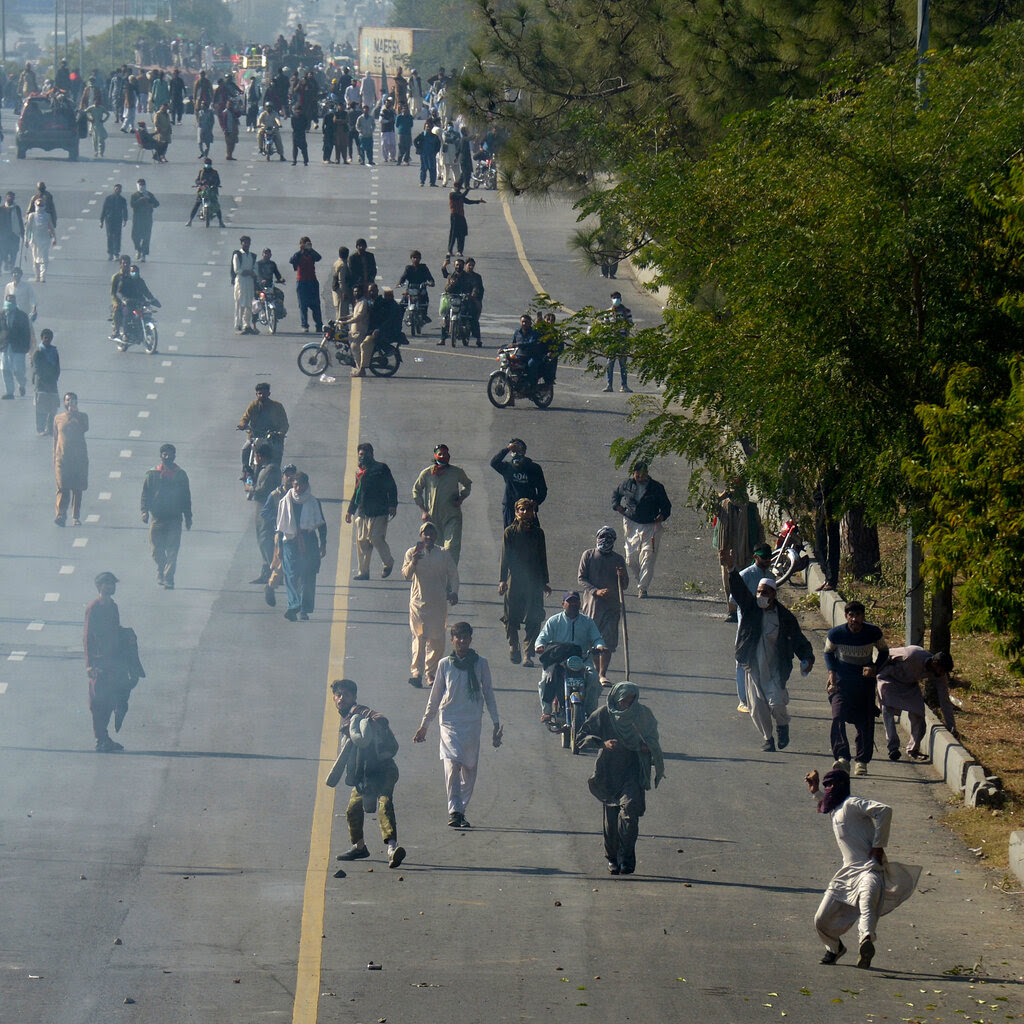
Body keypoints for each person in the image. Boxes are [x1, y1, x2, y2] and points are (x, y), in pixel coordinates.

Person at [805, 767, 920, 969]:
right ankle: (835, 949)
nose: (828, 789)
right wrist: (815, 792)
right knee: (820, 920)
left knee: (867, 903)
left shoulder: (852, 803)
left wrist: (878, 845)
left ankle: (866, 941)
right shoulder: (836, 808)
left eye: (831, 785)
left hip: (870, 869)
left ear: (841, 786)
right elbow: (827, 805)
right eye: (826, 786)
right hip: (847, 873)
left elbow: (885, 810)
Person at [413, 621, 502, 828]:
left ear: (471, 639)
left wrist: (496, 723)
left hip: (472, 723)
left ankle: (461, 809)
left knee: (469, 768)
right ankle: (454, 810)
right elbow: (435, 698)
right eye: (457, 637)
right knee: (452, 763)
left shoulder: (481, 663)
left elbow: (488, 693)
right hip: (450, 722)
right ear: (452, 640)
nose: (461, 641)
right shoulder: (445, 664)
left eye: (465, 637)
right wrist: (425, 725)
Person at [727, 553, 815, 751]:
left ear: (774, 594)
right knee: (757, 708)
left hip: (775, 668)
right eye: (758, 592)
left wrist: (808, 657)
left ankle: (782, 727)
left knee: (777, 705)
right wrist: (731, 569)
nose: (760, 596)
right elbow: (740, 592)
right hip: (753, 667)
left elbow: (799, 640)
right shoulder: (751, 609)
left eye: (765, 592)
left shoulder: (784, 618)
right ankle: (769, 739)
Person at [578, 682, 664, 874]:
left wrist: (646, 747)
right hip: (608, 773)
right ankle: (612, 858)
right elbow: (581, 737)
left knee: (630, 814)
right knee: (611, 821)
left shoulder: (643, 715)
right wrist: (603, 743)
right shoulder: (603, 714)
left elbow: (653, 739)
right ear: (615, 698)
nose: (627, 703)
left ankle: (627, 859)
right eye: (623, 699)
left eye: (631, 699)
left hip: (632, 771)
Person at [328, 678, 405, 868]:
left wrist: (371, 721)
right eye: (338, 694)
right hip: (365, 774)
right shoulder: (345, 717)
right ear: (333, 698)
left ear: (354, 697)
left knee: (384, 802)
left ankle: (392, 849)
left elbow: (381, 718)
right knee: (353, 809)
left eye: (346, 694)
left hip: (384, 769)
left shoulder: (359, 712)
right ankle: (359, 847)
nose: (341, 698)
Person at [823, 602, 889, 775]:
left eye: (858, 616)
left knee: (865, 722)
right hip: (841, 683)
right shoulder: (836, 634)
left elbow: (884, 651)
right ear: (846, 617)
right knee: (838, 716)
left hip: (864, 684)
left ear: (863, 616)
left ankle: (862, 761)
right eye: (851, 616)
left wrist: (875, 667)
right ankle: (843, 757)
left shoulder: (873, 632)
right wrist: (832, 673)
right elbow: (828, 652)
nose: (854, 619)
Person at [85, 572, 146, 753]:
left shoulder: (113, 606)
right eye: (108, 584)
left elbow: (115, 629)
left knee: (113, 697)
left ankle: (104, 738)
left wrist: (128, 637)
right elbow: (87, 637)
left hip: (114, 660)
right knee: (97, 701)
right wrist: (89, 664)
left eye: (113, 584)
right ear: (100, 586)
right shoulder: (93, 608)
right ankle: (101, 739)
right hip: (99, 662)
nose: (112, 587)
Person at [402, 522, 459, 688]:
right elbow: (405, 575)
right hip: (418, 604)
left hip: (438, 603)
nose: (428, 537)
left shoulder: (443, 554)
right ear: (421, 536)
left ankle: (431, 673)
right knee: (419, 639)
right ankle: (417, 673)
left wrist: (454, 592)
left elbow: (453, 575)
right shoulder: (412, 552)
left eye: (431, 534)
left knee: (437, 641)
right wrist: (413, 562)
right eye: (425, 534)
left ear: (436, 536)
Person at [535, 591, 607, 719]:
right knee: (545, 680)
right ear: (563, 604)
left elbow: (597, 638)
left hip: (582, 660)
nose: (573, 604)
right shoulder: (554, 621)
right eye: (570, 601)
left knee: (593, 678)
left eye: (575, 602)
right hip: (558, 660)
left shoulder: (587, 622)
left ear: (580, 604)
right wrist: (540, 646)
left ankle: (591, 713)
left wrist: (600, 646)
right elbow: (542, 638)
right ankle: (546, 712)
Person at [876, 647, 957, 761]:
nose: (942, 673)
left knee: (918, 714)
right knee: (887, 709)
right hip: (889, 679)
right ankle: (893, 747)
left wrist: (951, 726)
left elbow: (944, 699)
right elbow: (886, 654)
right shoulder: (913, 655)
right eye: (941, 670)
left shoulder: (939, 675)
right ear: (934, 663)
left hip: (909, 685)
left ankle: (913, 749)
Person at [499, 498, 551, 667]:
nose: (524, 513)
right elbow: (504, 557)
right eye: (521, 510)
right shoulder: (510, 532)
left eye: (528, 510)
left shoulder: (539, 533)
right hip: (515, 579)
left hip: (534, 580)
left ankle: (528, 654)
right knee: (510, 616)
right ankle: (514, 645)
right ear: (516, 512)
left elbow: (543, 558)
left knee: (534, 617)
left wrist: (545, 582)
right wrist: (502, 580)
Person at [611, 460, 672, 598]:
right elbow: (616, 494)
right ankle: (641, 578)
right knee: (630, 559)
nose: (639, 478)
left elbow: (666, 507)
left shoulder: (656, 488)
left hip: (650, 525)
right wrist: (617, 506)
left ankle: (643, 588)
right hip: (631, 523)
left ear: (647, 475)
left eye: (642, 476)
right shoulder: (627, 484)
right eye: (637, 475)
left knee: (648, 556)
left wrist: (662, 516)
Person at [578, 526, 629, 686]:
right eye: (602, 537)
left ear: (613, 541)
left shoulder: (618, 559)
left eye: (609, 538)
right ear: (597, 538)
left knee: (607, 643)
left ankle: (602, 674)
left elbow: (625, 585)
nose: (605, 541)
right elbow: (581, 579)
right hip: (592, 606)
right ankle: (593, 670)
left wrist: (621, 576)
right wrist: (596, 591)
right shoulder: (589, 555)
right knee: (593, 642)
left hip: (612, 607)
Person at [275, 470, 327, 621]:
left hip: (309, 541)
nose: (298, 489)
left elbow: (321, 524)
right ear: (292, 484)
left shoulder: (313, 502)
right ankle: (293, 605)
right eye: (296, 485)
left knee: (308, 575)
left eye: (301, 486)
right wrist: (278, 547)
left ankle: (303, 609)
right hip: (290, 542)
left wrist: (323, 544)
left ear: (306, 485)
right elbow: (279, 526)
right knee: (290, 574)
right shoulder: (285, 501)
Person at [140, 443, 193, 589]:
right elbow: (145, 494)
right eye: (165, 454)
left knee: (172, 550)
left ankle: (169, 578)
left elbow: (186, 497)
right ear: (161, 456)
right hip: (157, 518)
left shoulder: (181, 475)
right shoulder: (152, 474)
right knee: (156, 550)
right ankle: (161, 569)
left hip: (174, 519)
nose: (167, 457)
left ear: (175, 456)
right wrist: (144, 511)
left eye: (170, 454)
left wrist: (188, 517)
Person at [411, 443, 472, 565]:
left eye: (445, 453)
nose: (443, 456)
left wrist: (461, 498)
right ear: (435, 455)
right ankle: (439, 577)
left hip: (452, 516)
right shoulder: (427, 473)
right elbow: (416, 491)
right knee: (435, 549)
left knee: (450, 548)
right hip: (433, 518)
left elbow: (467, 484)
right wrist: (423, 511)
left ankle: (450, 576)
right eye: (440, 454)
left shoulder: (456, 472)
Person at [731, 542, 774, 712]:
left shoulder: (771, 576)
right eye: (764, 558)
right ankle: (743, 700)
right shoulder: (745, 575)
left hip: (765, 625)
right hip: (746, 627)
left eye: (769, 558)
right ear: (756, 557)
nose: (767, 561)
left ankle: (761, 697)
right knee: (742, 661)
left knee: (763, 660)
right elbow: (734, 600)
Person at [714, 481, 766, 621]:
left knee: (744, 580)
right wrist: (722, 495)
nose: (735, 492)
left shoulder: (750, 508)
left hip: (746, 550)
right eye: (733, 488)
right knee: (728, 581)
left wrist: (760, 545)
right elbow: (707, 506)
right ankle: (731, 611)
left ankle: (743, 608)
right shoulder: (724, 506)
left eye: (738, 489)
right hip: (728, 549)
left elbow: (759, 527)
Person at [346, 442, 398, 580]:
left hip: (379, 511)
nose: (362, 457)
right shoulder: (359, 471)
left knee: (375, 538)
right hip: (363, 512)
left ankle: (388, 562)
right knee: (362, 542)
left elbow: (391, 487)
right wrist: (350, 511)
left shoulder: (381, 468)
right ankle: (363, 572)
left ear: (372, 454)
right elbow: (356, 492)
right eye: (360, 454)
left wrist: (393, 505)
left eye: (365, 454)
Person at [260, 463, 297, 607]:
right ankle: (270, 586)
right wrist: (277, 519)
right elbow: (265, 512)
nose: (290, 477)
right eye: (287, 474)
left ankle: (298, 601)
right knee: (281, 564)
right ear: (282, 477)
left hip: (297, 535)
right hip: (281, 535)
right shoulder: (275, 495)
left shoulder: (299, 494)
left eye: (293, 474)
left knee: (298, 567)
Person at [490, 438, 548, 529]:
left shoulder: (534, 468)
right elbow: (494, 463)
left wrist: (535, 502)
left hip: (528, 508)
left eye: (519, 449)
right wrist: (507, 449)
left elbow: (542, 490)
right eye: (514, 450)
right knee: (510, 535)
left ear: (524, 451)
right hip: (510, 508)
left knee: (533, 537)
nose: (516, 453)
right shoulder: (507, 467)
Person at [237, 382, 288, 477]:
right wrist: (242, 424)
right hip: (255, 436)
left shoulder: (277, 406)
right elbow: (245, 417)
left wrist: (281, 432)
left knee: (277, 451)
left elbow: (284, 423)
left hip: (273, 437)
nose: (262, 395)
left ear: (269, 394)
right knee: (245, 448)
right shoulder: (253, 405)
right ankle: (245, 470)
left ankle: (276, 473)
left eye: (264, 393)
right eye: (259, 393)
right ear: (256, 394)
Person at [53, 391, 89, 526]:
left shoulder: (82, 417)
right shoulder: (58, 418)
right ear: (64, 402)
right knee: (62, 487)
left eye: (73, 400)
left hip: (78, 459)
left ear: (77, 402)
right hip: (62, 459)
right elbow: (56, 440)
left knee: (77, 488)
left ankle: (75, 516)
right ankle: (61, 515)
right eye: (68, 400)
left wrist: (75, 413)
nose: (70, 402)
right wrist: (54, 459)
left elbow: (85, 428)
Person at [248, 441, 280, 585]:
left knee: (265, 538)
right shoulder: (263, 468)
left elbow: (263, 489)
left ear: (260, 456)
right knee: (262, 539)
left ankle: (274, 572)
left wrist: (250, 488)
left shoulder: (271, 470)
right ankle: (266, 571)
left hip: (266, 509)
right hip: (261, 508)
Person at [0, 295, 32, 399]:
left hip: (18, 347)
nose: (10, 303)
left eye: (12, 301)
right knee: (5, 369)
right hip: (4, 346)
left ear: (15, 302)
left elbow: (27, 333)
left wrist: (27, 347)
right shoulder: (2, 315)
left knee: (18, 370)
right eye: (8, 301)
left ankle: (22, 384)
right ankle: (9, 392)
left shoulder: (21, 316)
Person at [289, 236, 323, 333]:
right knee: (303, 305)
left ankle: (319, 325)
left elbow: (319, 257)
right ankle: (305, 325)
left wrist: (311, 250)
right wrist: (301, 251)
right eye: (305, 244)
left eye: (309, 243)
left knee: (316, 304)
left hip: (312, 281)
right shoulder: (299, 255)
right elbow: (291, 260)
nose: (307, 245)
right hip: (302, 282)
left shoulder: (312, 254)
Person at [31, 328, 61, 436]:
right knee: (41, 408)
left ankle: (49, 428)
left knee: (53, 407)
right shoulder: (38, 352)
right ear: (42, 338)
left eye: (49, 338)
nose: (47, 339)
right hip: (41, 385)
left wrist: (54, 379)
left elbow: (57, 367)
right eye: (45, 337)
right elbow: (37, 369)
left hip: (52, 384)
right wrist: (45, 383)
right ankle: (40, 428)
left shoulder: (54, 351)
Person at [601, 292, 633, 393]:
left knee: (623, 364)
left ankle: (624, 385)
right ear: (611, 299)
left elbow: (630, 323)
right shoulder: (608, 313)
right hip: (611, 341)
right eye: (614, 298)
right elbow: (604, 326)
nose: (616, 300)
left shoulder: (626, 311)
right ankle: (609, 385)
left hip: (623, 340)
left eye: (618, 298)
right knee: (610, 364)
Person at [230, 235, 259, 335]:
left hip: (249, 282)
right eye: (244, 242)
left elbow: (255, 269)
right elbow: (237, 269)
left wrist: (252, 273)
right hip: (240, 282)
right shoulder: (237, 255)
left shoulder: (253, 256)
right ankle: (238, 325)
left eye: (248, 242)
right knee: (240, 303)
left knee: (249, 304)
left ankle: (247, 325)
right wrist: (246, 272)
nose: (246, 244)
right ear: (241, 243)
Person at [396, 250, 434, 323]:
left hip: (421, 289)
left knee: (425, 301)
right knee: (402, 304)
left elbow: (429, 277)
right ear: (411, 258)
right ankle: (398, 321)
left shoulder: (423, 267)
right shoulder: (408, 268)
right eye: (414, 257)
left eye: (417, 258)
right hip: (411, 289)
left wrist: (431, 282)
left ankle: (424, 315)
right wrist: (400, 283)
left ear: (420, 259)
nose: (416, 259)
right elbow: (403, 277)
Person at [24, 196, 55, 282]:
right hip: (34, 240)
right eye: (39, 205)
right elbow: (27, 229)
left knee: (44, 258)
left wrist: (54, 238)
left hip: (45, 239)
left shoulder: (47, 216)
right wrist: (26, 239)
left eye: (42, 205)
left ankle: (43, 276)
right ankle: (37, 275)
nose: (40, 207)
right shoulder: (32, 216)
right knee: (35, 258)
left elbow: (51, 227)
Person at [447, 187, 485, 256]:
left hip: (461, 216)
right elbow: (461, 196)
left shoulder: (459, 194)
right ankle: (450, 250)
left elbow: (468, 201)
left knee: (462, 234)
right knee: (453, 233)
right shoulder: (452, 194)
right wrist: (467, 189)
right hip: (455, 216)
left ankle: (460, 251)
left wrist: (478, 201)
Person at [187, 159, 224, 227]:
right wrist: (199, 184)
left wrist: (214, 185)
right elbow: (197, 180)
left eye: (209, 164)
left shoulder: (215, 172)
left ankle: (221, 221)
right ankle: (190, 220)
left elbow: (218, 181)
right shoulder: (201, 172)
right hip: (202, 191)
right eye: (207, 164)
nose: (208, 165)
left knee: (216, 206)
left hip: (212, 191)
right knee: (197, 204)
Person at [129, 179, 159, 262]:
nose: (141, 186)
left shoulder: (149, 194)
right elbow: (132, 205)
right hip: (137, 219)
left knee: (146, 237)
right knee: (134, 236)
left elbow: (157, 204)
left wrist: (149, 201)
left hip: (147, 219)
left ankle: (144, 254)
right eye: (140, 185)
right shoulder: (134, 195)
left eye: (143, 184)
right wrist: (140, 200)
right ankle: (138, 249)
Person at [99, 184, 128, 261]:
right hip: (109, 220)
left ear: (121, 190)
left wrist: (125, 220)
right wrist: (101, 221)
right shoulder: (108, 198)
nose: (117, 190)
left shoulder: (122, 200)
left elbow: (125, 210)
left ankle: (116, 253)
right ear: (114, 189)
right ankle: (110, 253)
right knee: (109, 236)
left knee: (117, 236)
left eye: (119, 189)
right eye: (116, 189)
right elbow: (104, 210)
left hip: (118, 220)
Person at [0, 192, 25, 273]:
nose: (10, 198)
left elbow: (20, 220)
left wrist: (22, 232)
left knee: (14, 251)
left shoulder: (16, 208)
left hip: (14, 234)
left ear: (14, 198)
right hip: (4, 235)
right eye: (9, 197)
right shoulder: (2, 208)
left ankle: (12, 266)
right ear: (6, 197)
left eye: (12, 197)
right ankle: (6, 262)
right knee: (4, 251)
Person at [330, 246, 352, 320]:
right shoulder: (343, 265)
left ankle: (339, 326)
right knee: (343, 311)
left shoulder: (337, 262)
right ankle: (342, 327)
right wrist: (344, 292)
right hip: (341, 290)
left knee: (338, 310)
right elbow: (341, 280)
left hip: (335, 289)